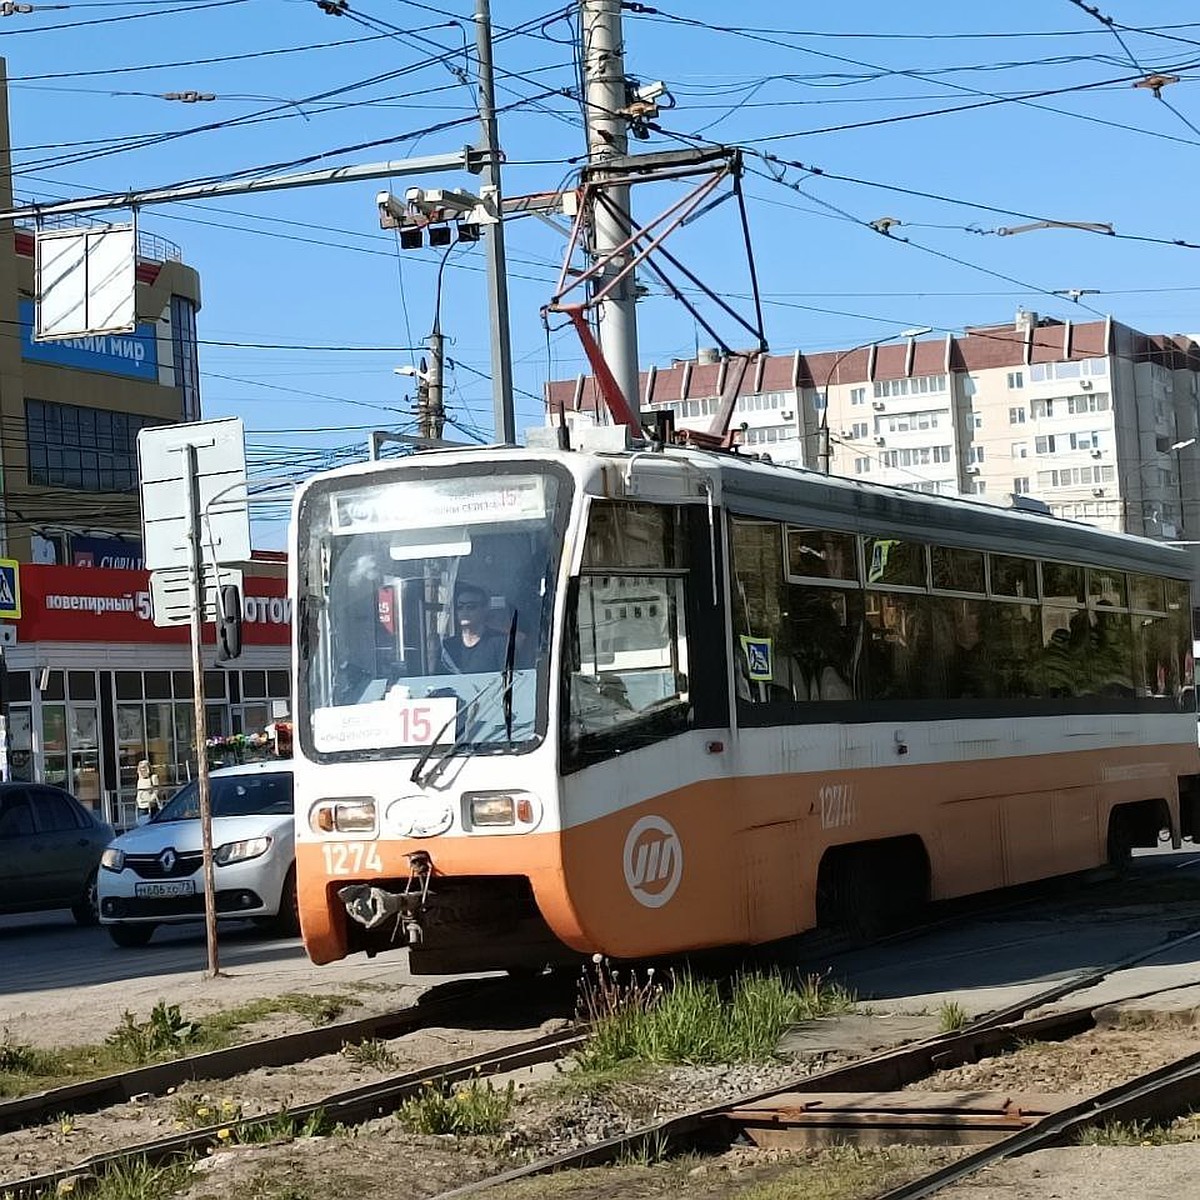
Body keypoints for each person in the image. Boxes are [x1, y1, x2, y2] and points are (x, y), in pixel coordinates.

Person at [441, 583, 509, 674]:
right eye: (460, 607)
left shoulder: (500, 642)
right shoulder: (447, 647)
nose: (464, 611)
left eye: (471, 607)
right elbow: (437, 681)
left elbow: (509, 679)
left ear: (485, 609)